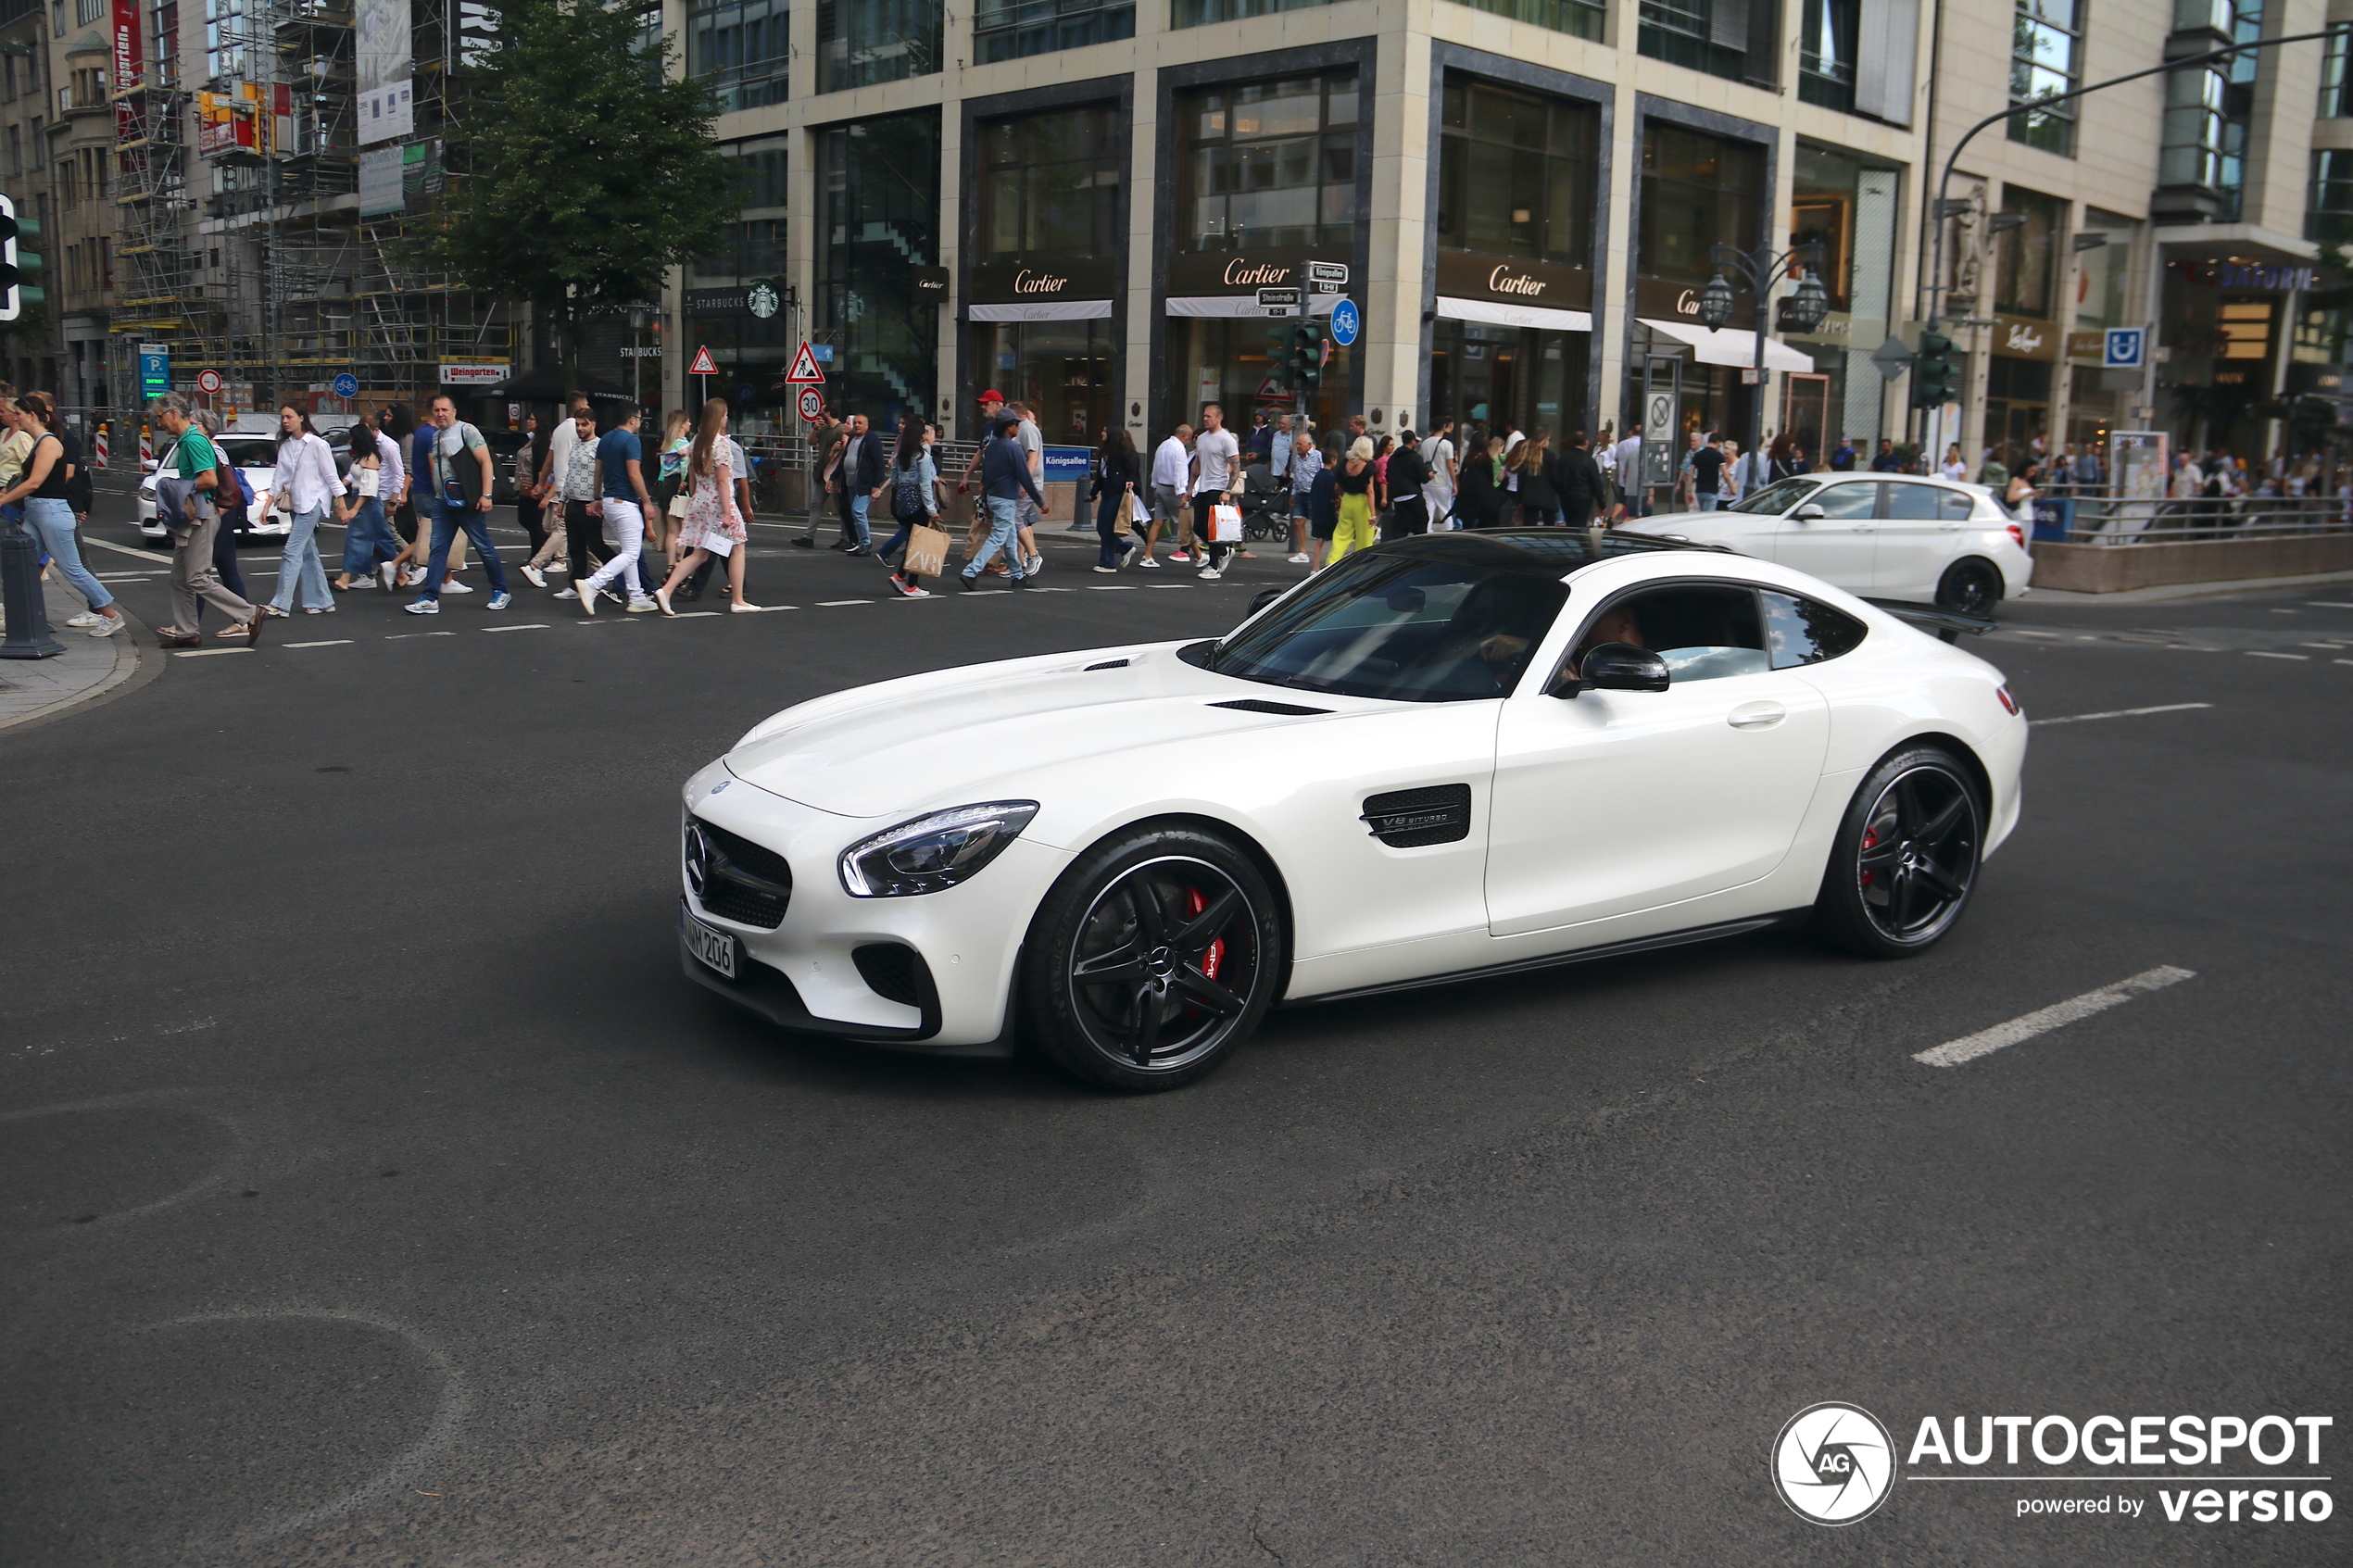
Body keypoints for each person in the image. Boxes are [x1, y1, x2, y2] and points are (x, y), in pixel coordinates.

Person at [149, 395, 265, 648]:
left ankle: (248, 613)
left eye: (159, 417)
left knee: (197, 578)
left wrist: (176, 487)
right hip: (195, 515)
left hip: (201, 515)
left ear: (172, 413)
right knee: (180, 579)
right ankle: (187, 632)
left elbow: (210, 480)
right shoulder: (187, 440)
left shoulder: (193, 441)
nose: (159, 423)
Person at [0, 393, 120, 637]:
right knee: (23, 563)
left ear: (32, 415)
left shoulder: (49, 443)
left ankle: (111, 615)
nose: (15, 418)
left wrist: (2, 498)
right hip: (37, 512)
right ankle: (22, 613)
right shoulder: (39, 442)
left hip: (51, 512)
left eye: (19, 414)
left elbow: (34, 483)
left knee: (73, 569)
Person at [404, 395, 511, 614]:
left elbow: (485, 462)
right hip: (443, 501)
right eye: (436, 410)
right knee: (437, 549)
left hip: (467, 500)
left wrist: (486, 495)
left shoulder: (467, 430)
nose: (440, 414)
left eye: (444, 409)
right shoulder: (436, 436)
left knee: (484, 547)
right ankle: (429, 597)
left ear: (454, 411)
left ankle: (501, 591)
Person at [654, 399, 761, 615]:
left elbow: (692, 476)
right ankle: (738, 599)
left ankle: (666, 590)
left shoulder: (696, 441)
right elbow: (722, 481)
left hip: (701, 501)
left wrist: (696, 498)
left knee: (701, 553)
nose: (727, 418)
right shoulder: (721, 443)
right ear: (720, 417)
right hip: (720, 503)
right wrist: (729, 512)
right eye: (726, 414)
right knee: (738, 547)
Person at [571, 404, 658, 616]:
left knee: (629, 551)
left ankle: (636, 596)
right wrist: (646, 501)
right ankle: (593, 583)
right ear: (633, 419)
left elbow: (597, 472)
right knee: (631, 553)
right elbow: (634, 474)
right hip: (625, 502)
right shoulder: (631, 440)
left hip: (609, 501)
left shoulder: (606, 439)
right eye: (639, 418)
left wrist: (597, 498)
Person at [262, 404, 342, 618]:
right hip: (295, 503)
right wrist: (267, 504)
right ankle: (322, 600)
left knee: (291, 551)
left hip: (312, 502)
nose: (285, 421)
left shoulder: (317, 444)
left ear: (301, 417)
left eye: (289, 417)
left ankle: (281, 604)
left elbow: (331, 476)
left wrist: (341, 505)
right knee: (308, 552)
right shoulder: (286, 445)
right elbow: (279, 477)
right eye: (282, 417)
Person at [959, 413, 1045, 589]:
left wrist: (985, 500)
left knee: (1011, 538)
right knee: (998, 538)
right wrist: (1040, 501)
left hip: (993, 496)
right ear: (1008, 427)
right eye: (1015, 424)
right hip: (1006, 498)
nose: (1018, 427)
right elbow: (1024, 477)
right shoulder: (1013, 449)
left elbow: (986, 476)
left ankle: (1017, 575)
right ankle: (970, 572)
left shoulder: (991, 447)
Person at [874, 415, 944, 596]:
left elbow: (895, 480)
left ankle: (900, 576)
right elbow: (925, 484)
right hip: (918, 500)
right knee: (918, 543)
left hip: (902, 499)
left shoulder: (899, 455)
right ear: (920, 436)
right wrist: (932, 509)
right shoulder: (923, 457)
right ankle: (911, 585)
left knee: (913, 539)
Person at [333, 411, 403, 593]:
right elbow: (354, 477)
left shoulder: (374, 456)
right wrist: (340, 487)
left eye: (352, 438)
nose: (349, 441)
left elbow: (369, 489)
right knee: (381, 541)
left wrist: (355, 509)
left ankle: (345, 578)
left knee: (356, 539)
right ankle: (402, 573)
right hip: (364, 501)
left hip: (368, 503)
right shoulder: (362, 456)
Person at [1189, 403, 1243, 579]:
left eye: (1209, 416)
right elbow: (1197, 463)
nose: (1205, 419)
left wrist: (1228, 490)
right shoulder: (1203, 438)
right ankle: (1223, 551)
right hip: (1202, 487)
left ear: (1218, 418)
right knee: (1198, 526)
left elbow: (1235, 466)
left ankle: (1213, 565)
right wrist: (1190, 487)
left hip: (1218, 487)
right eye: (1204, 416)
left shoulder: (1226, 439)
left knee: (1213, 528)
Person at [793, 403, 848, 548]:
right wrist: (815, 428)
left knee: (840, 506)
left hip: (834, 473)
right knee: (815, 504)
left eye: (822, 412)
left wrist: (837, 448)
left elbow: (845, 444)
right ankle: (808, 537)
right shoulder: (823, 429)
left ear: (828, 413)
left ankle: (846, 537)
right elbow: (811, 441)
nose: (820, 415)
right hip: (821, 471)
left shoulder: (840, 429)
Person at [1140, 421, 1192, 568]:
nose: (1188, 441)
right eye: (1188, 438)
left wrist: (1155, 487)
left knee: (1157, 523)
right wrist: (1182, 493)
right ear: (1183, 436)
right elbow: (1180, 473)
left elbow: (1155, 467)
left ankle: (1147, 555)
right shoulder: (1179, 449)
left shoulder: (1163, 445)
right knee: (1186, 523)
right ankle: (1200, 556)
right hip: (1172, 490)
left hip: (1161, 488)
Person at [1091, 423, 1141, 573]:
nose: (1102, 433)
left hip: (1118, 493)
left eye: (1105, 431)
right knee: (1101, 526)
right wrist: (1093, 492)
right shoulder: (1105, 452)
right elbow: (1101, 476)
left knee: (1107, 528)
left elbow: (1132, 470)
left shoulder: (1124, 453)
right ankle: (1124, 547)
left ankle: (1107, 563)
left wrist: (1130, 480)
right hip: (1107, 492)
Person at [1008, 400, 1048, 576]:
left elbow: (1033, 458)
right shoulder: (1021, 429)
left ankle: (1033, 556)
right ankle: (1017, 563)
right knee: (1018, 521)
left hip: (1027, 484)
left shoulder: (1026, 429)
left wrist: (1026, 482)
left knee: (1016, 519)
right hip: (1019, 483)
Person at [1329, 436, 1378, 562]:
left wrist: (1339, 497)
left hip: (1347, 499)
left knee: (1341, 535)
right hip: (1362, 503)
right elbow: (1370, 491)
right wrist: (1373, 513)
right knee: (1364, 539)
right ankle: (1361, 566)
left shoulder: (1344, 463)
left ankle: (1331, 562)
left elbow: (1336, 487)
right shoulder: (1369, 466)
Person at [1285, 428, 1323, 561]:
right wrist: (1293, 493)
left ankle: (1319, 552)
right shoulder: (1297, 458)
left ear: (1309, 445)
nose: (1298, 446)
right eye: (1297, 444)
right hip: (1300, 493)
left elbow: (1323, 473)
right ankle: (1303, 552)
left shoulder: (1318, 456)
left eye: (1301, 444)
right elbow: (1296, 477)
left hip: (1314, 494)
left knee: (1317, 524)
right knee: (1298, 521)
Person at [1509, 428, 1559, 525]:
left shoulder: (1526, 456)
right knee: (1550, 527)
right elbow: (1555, 479)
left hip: (1529, 498)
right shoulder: (1550, 456)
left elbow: (1521, 479)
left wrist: (1519, 499)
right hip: (1547, 497)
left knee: (1529, 526)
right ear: (1544, 441)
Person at [1557, 430, 1604, 527]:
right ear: (1586, 442)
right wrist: (1601, 503)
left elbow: (1556, 478)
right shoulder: (1589, 460)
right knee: (1580, 524)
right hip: (1584, 498)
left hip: (1566, 497)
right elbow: (1596, 482)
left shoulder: (1563, 458)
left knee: (1570, 523)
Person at [1455, 428, 1501, 529]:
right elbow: (1491, 478)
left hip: (1468, 495)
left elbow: (1461, 476)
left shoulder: (1468, 458)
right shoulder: (1486, 460)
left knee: (1468, 523)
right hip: (1482, 496)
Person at [1418, 416, 1458, 529]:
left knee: (1428, 510)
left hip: (1427, 482)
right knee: (1445, 510)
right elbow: (1450, 466)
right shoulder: (1447, 444)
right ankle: (1448, 533)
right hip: (1442, 482)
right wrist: (1455, 484)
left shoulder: (1425, 443)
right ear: (1444, 427)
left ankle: (1425, 532)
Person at [1689, 431, 1729, 511]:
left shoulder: (1698, 455)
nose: (1719, 446)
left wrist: (1688, 490)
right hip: (1712, 490)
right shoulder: (1718, 456)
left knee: (1701, 512)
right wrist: (1732, 488)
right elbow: (1726, 474)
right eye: (1719, 444)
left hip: (1699, 490)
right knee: (1707, 516)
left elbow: (1691, 473)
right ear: (1717, 442)